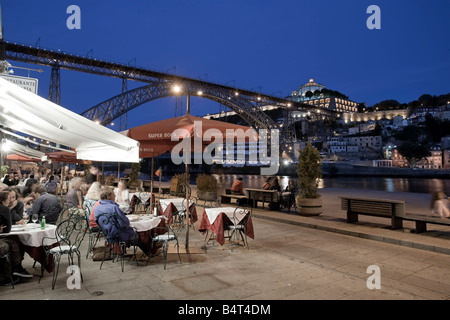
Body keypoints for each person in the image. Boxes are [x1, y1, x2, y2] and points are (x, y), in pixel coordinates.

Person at [94, 187, 150, 257]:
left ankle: (145, 252)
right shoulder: (114, 208)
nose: (115, 196)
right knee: (142, 235)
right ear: (108, 196)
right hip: (119, 235)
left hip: (108, 235)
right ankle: (149, 253)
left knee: (137, 235)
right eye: (113, 194)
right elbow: (124, 223)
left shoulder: (97, 208)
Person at [0, 191, 33, 284]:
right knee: (14, 242)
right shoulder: (4, 209)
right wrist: (9, 209)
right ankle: (15, 271)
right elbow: (8, 229)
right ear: (3, 202)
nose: (10, 201)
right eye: (8, 199)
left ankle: (15, 270)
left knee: (14, 241)